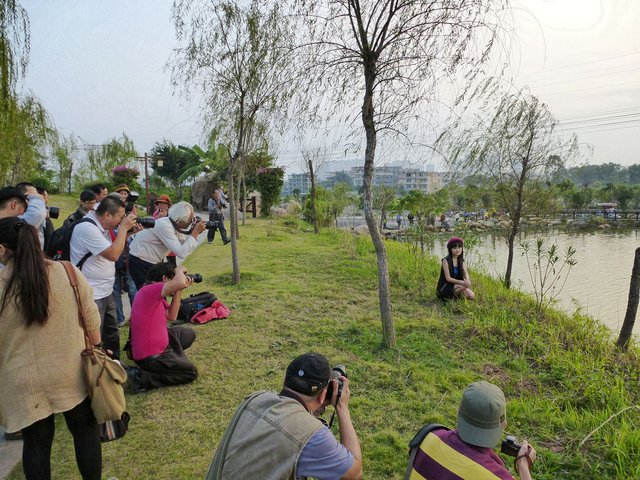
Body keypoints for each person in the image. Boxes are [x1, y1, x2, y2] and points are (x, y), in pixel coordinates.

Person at [0, 217, 103, 479]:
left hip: (22, 382)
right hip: (70, 371)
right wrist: (99, 348)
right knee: (84, 431)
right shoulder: (66, 272)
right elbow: (91, 320)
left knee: (36, 444)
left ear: (2, 249)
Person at [207, 352, 363, 480]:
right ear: (323, 395)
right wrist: (342, 408)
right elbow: (353, 474)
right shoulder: (312, 435)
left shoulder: (256, 398)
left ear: (286, 380)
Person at [406, 381, 536, 480]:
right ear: (503, 425)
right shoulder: (496, 476)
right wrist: (523, 467)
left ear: (459, 413)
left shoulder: (428, 437)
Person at [70, 196, 138, 359]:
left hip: (106, 291)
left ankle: (114, 367)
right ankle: (95, 375)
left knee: (111, 333)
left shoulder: (101, 226)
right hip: (92, 294)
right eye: (120, 217)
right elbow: (113, 254)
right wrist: (123, 229)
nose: (122, 220)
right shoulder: (87, 228)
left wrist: (128, 234)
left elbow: (112, 247)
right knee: (94, 339)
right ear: (107, 215)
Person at [127, 263, 198, 392]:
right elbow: (180, 281)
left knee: (188, 334)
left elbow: (172, 316)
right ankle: (141, 378)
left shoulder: (151, 292)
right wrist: (179, 270)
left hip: (156, 346)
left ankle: (173, 358)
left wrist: (179, 290)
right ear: (165, 278)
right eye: (173, 278)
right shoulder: (151, 290)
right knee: (190, 372)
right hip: (150, 357)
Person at [128, 201, 207, 289]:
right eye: (190, 219)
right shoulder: (165, 226)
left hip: (149, 261)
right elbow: (181, 253)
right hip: (140, 261)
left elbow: (183, 245)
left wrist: (195, 232)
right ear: (180, 219)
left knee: (158, 292)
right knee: (149, 293)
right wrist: (195, 232)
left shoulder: (172, 224)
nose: (192, 222)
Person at [436, 236, 475, 301]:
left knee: (472, 296)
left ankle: (457, 295)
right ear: (450, 249)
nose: (458, 250)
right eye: (454, 248)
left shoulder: (460, 260)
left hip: (457, 284)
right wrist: (462, 282)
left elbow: (466, 273)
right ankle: (450, 298)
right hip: (445, 286)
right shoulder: (446, 260)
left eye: (459, 247)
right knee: (463, 286)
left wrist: (467, 280)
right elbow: (448, 278)